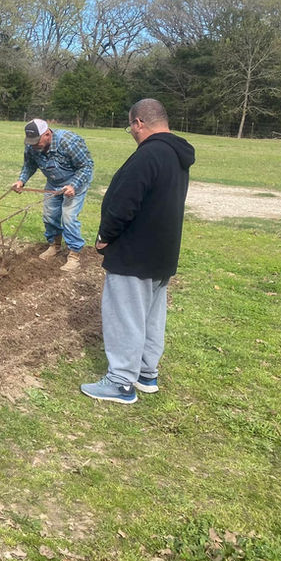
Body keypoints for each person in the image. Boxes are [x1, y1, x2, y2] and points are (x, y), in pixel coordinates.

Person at [81, 99, 195, 404]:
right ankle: (146, 374)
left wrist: (106, 235)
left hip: (134, 252)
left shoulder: (148, 155)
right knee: (150, 315)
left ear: (139, 122)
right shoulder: (176, 155)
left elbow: (123, 203)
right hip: (162, 252)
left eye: (130, 125)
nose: (131, 132)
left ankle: (120, 383)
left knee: (125, 316)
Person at [11, 118, 94, 271]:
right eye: (31, 141)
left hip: (75, 181)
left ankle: (74, 255)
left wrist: (73, 185)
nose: (34, 145)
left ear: (47, 134)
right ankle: (54, 245)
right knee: (49, 215)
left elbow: (86, 166)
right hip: (54, 183)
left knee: (68, 216)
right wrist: (21, 181)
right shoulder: (31, 146)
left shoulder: (68, 141)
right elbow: (29, 165)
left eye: (37, 141)